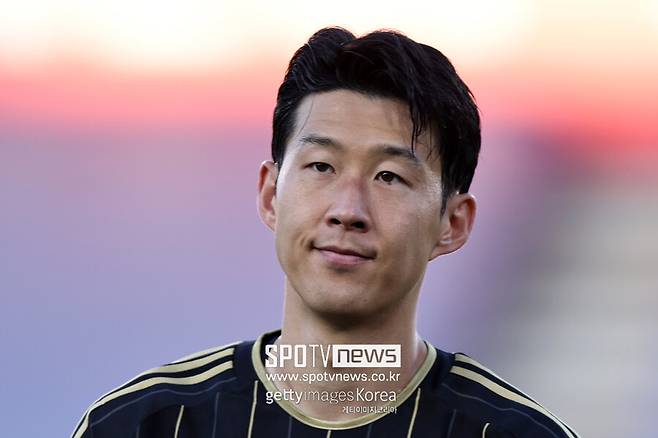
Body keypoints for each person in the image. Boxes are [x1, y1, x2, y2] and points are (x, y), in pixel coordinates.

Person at [71, 27, 579, 438]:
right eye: (321, 166)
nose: (348, 210)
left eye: (389, 177)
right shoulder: (141, 426)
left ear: (453, 223)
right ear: (270, 194)